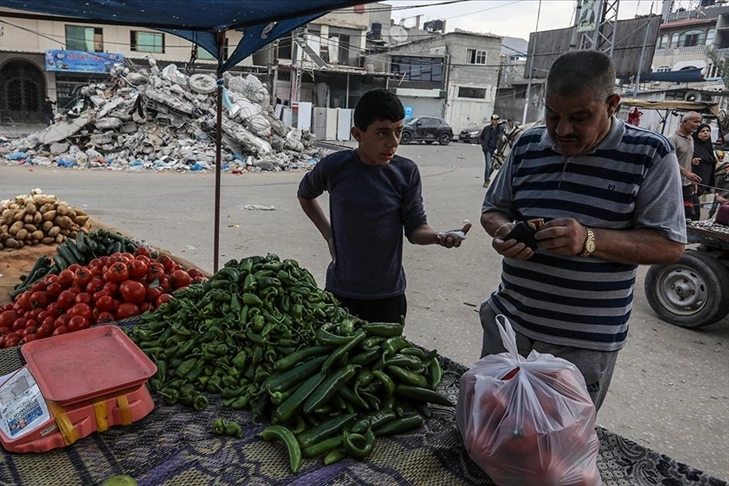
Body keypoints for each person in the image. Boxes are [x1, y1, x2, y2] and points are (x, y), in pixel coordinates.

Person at [479, 50, 686, 411]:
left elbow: (669, 245)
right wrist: (506, 231)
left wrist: (590, 240)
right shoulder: (528, 144)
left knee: (553, 452)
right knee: (488, 427)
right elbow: (493, 210)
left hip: (582, 343)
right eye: (553, 115)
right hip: (510, 326)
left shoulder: (650, 153)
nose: (562, 130)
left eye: (579, 117)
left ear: (612, 105)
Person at [297, 88, 469, 324]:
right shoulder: (334, 167)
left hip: (388, 296)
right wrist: (328, 234)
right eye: (382, 133)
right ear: (357, 134)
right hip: (341, 292)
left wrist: (438, 237)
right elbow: (305, 195)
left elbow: (416, 228)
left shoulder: (406, 172)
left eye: (399, 131)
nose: (393, 142)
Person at [668, 112, 703, 220]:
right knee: (672, 213)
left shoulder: (691, 139)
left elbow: (686, 160)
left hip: (686, 184)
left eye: (699, 122)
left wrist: (691, 180)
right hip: (673, 183)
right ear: (685, 122)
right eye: (695, 121)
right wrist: (686, 174)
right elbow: (669, 161)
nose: (698, 125)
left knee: (688, 214)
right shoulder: (672, 139)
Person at [691, 123, 720, 220]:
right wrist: (693, 161)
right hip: (692, 182)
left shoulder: (708, 146)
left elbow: (710, 160)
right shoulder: (692, 144)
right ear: (697, 133)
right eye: (702, 131)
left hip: (704, 182)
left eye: (708, 131)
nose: (706, 133)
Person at [478, 113, 505, 188]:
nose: (496, 121)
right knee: (488, 166)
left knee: (493, 166)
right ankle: (486, 181)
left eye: (497, 120)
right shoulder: (487, 129)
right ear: (491, 120)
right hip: (488, 150)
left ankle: (488, 177)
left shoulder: (500, 129)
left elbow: (503, 138)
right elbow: (481, 138)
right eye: (494, 120)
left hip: (497, 150)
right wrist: (484, 146)